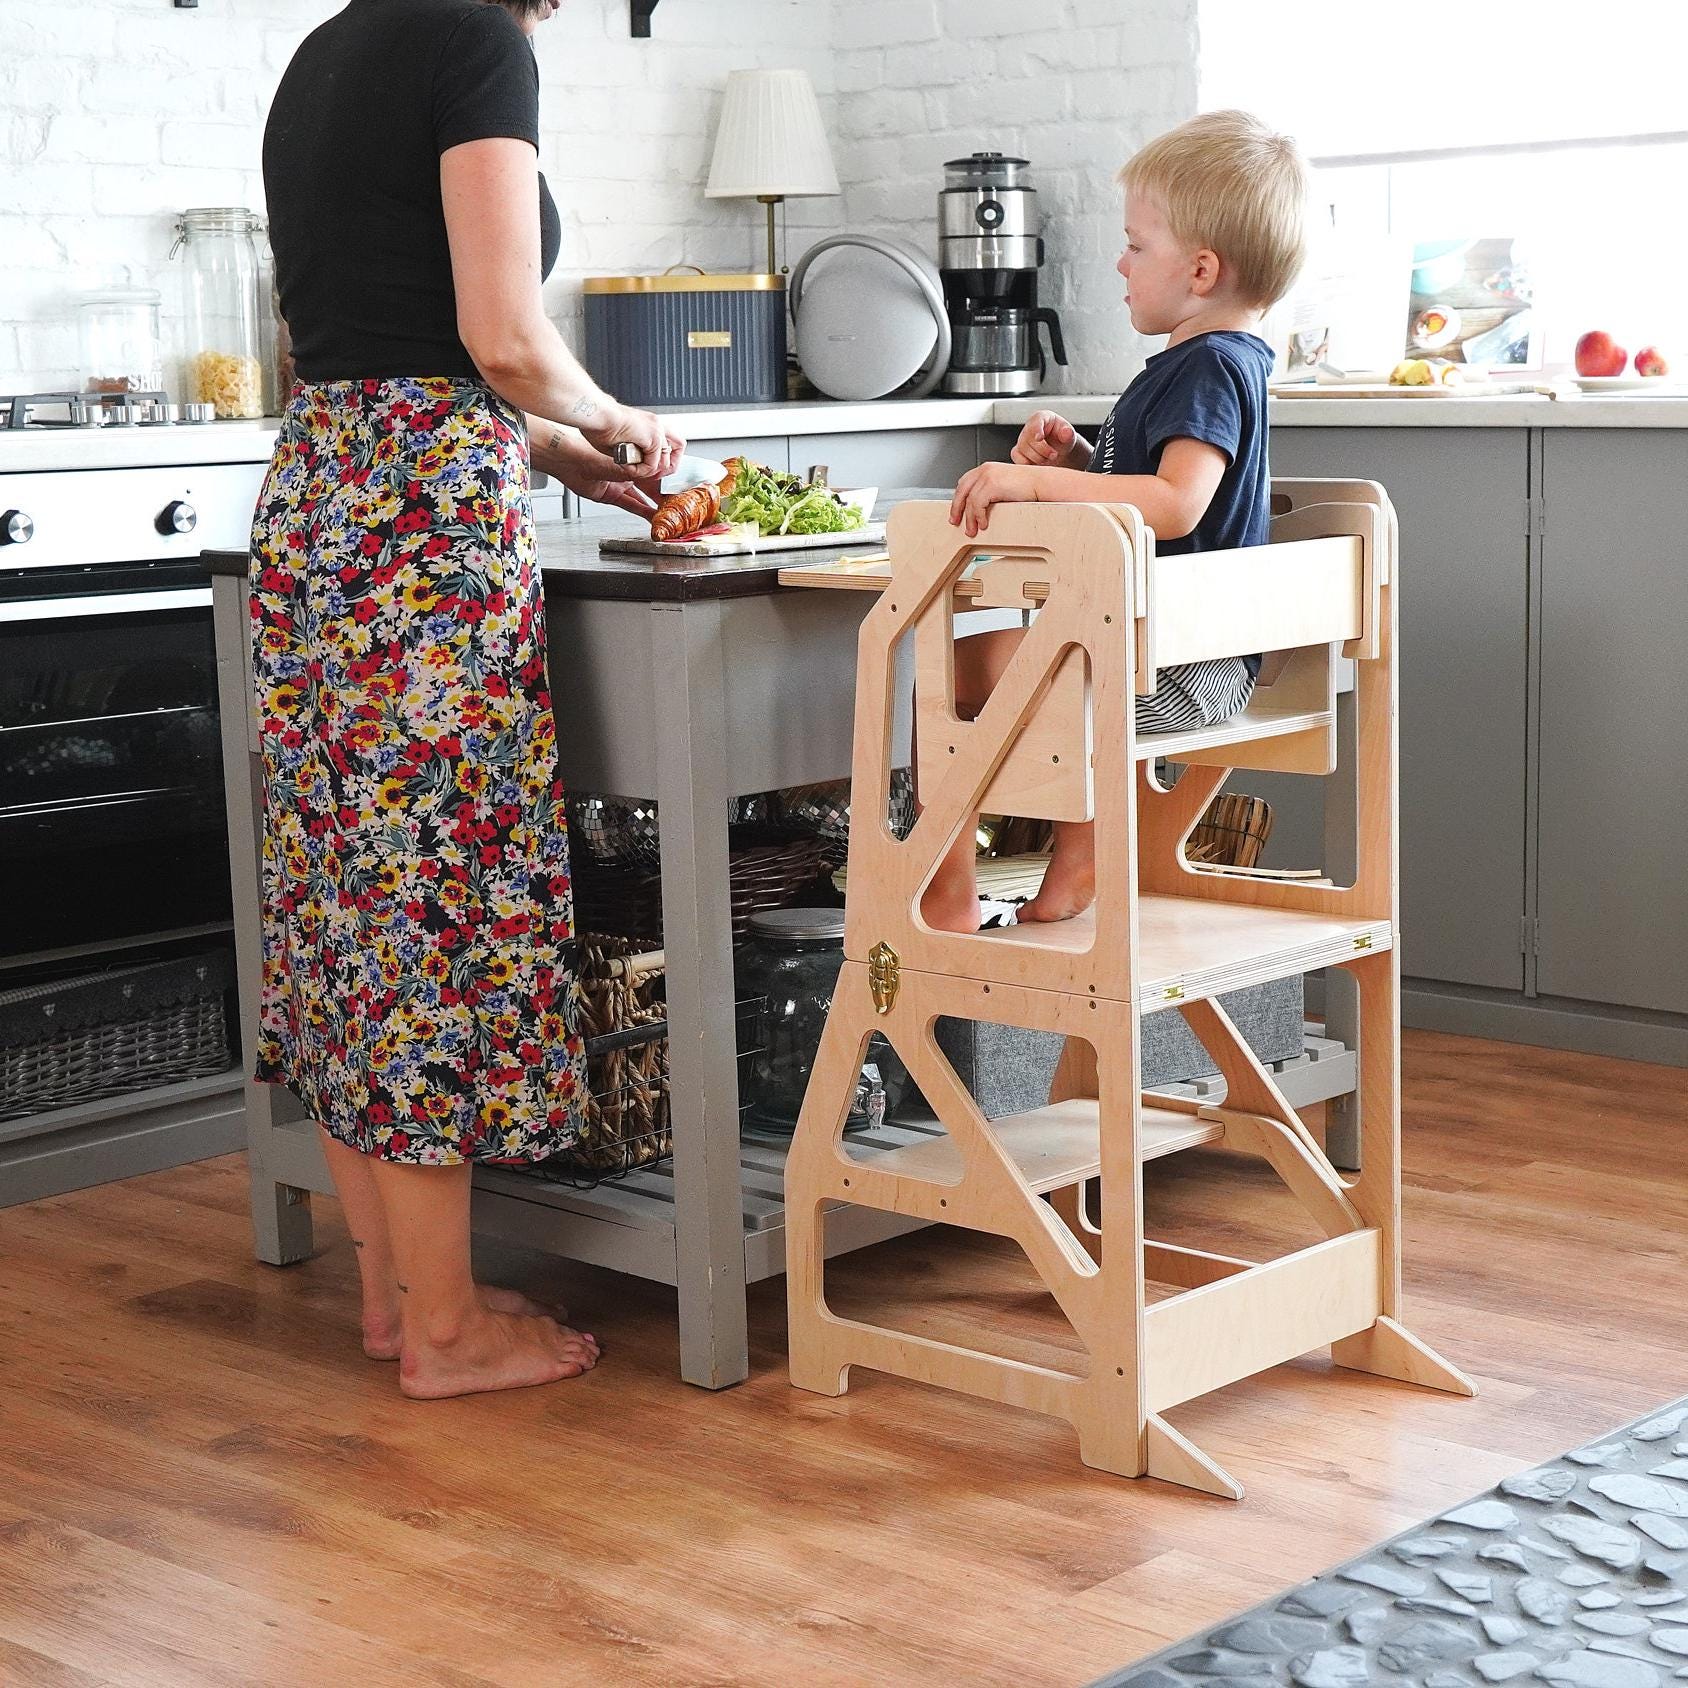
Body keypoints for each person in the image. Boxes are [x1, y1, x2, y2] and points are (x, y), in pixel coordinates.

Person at [252, 0, 682, 1398]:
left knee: (344, 906)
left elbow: (379, 342)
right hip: (422, 526)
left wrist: (554, 453)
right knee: (428, 904)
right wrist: (623, 422)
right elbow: (500, 335)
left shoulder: (330, 50)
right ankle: (446, 1332)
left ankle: (399, 1295)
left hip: (323, 493)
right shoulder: (477, 45)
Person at [924, 109, 1309, 935]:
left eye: (1137, 245)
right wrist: (1074, 463)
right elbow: (1145, 489)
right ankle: (1076, 861)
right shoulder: (1196, 366)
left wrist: (1030, 492)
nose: (1119, 261)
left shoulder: (1208, 366)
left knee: (947, 671)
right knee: (1022, 662)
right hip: (1159, 651)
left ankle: (947, 891)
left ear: (1202, 269)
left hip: (1174, 667)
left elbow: (1175, 505)